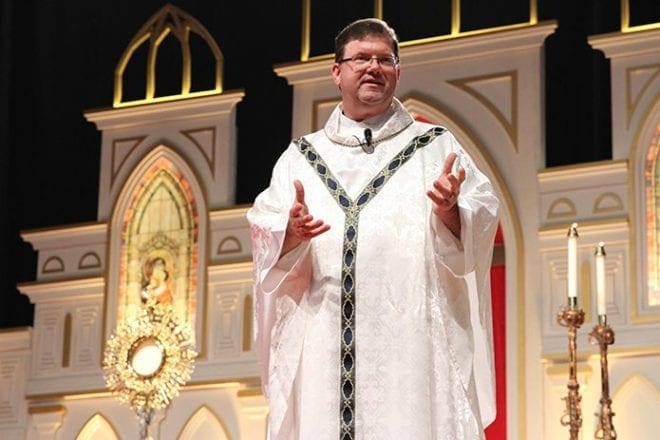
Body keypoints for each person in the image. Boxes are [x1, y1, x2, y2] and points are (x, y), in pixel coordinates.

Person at [247, 17, 500, 440]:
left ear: (398, 72)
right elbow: (265, 232)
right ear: (337, 72)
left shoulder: (435, 146)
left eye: (385, 60)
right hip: (324, 344)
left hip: (413, 347)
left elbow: (481, 213)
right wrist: (290, 234)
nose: (374, 68)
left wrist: (451, 212)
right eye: (361, 58)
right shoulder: (301, 157)